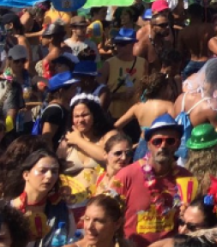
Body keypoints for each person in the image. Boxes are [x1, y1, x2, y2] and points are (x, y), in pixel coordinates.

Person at [108, 115, 192, 247]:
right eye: (157, 141)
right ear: (148, 144)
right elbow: (108, 217)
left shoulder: (186, 178)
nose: (163, 146)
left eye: (170, 141)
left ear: (177, 144)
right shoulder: (126, 176)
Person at [8, 149, 74, 246]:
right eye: (42, 171)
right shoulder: (6, 210)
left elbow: (71, 240)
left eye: (54, 171)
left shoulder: (62, 211)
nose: (49, 176)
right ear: (26, 175)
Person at [59, 94, 117, 174]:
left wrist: (78, 141)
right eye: (76, 116)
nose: (81, 120)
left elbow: (107, 157)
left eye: (85, 115)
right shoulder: (68, 140)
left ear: (95, 115)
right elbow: (56, 166)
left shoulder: (110, 135)